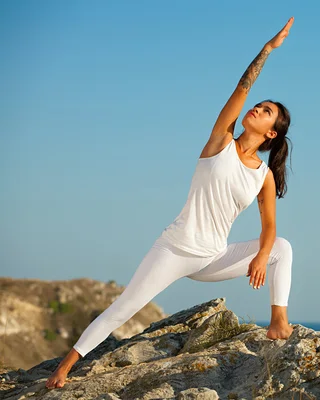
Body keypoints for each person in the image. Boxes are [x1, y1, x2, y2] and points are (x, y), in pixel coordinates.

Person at [45, 16, 295, 389]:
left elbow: (270, 227)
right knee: (125, 306)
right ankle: (64, 368)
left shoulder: (263, 174)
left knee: (283, 248)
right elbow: (241, 90)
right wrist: (266, 51)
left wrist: (261, 254)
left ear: (271, 133)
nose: (256, 110)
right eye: (258, 106)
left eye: (265, 112)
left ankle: (278, 322)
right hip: (176, 248)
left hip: (213, 257)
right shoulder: (220, 142)